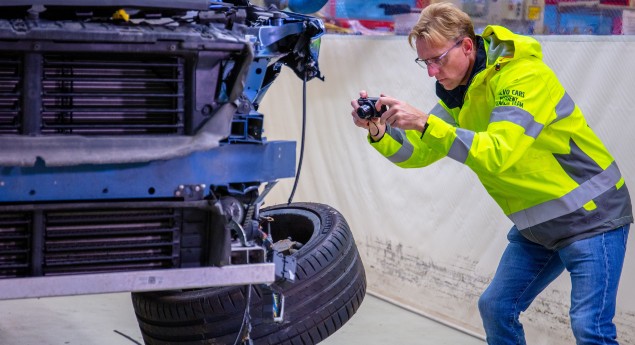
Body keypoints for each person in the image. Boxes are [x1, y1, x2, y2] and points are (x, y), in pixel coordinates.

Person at [350, 2, 632, 344]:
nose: (431, 72)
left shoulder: (521, 76)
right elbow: (418, 151)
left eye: (437, 59)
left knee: (589, 327)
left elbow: (499, 153)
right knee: (496, 308)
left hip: (592, 217)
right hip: (540, 226)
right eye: (425, 62)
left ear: (467, 46)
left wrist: (426, 122)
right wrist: (379, 131)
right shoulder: (462, 96)